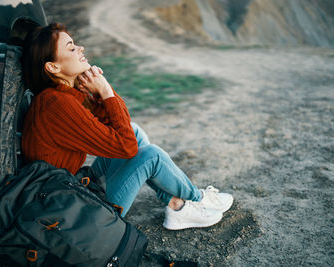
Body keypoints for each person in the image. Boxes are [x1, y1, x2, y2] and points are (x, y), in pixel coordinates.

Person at [21, 23, 233, 230]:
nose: (80, 48)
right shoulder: (57, 104)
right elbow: (126, 147)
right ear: (53, 67)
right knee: (151, 156)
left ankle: (178, 206)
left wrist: (101, 92)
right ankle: (198, 199)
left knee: (135, 130)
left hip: (76, 187)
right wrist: (104, 90)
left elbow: (118, 126)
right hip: (77, 213)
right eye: (71, 48)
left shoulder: (62, 96)